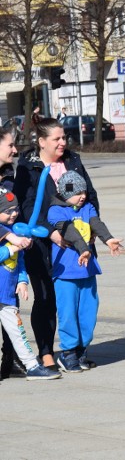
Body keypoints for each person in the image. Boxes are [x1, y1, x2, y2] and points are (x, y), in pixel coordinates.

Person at [14, 116, 99, 371]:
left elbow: (91, 195)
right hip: (43, 244)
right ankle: (47, 351)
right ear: (42, 142)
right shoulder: (29, 167)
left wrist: (93, 226)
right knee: (46, 297)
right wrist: (50, 232)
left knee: (80, 298)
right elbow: (26, 205)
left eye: (64, 138)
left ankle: (76, 351)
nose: (63, 142)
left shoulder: (73, 161)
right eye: (57, 139)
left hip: (77, 244)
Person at [47, 171, 123, 373]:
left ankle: (82, 349)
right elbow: (70, 231)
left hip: (87, 271)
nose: (83, 196)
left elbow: (96, 223)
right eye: (78, 192)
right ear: (65, 192)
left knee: (88, 312)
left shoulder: (87, 207)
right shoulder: (55, 211)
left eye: (84, 192)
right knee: (68, 313)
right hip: (66, 273)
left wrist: (108, 239)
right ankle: (68, 353)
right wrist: (84, 249)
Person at [0, 191, 61, 380]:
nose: (13, 214)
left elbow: (20, 263)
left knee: (17, 331)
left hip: (6, 294)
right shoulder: (9, 236)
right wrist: (12, 247)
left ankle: (32, 366)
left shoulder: (16, 232)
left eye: (15, 209)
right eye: (7, 211)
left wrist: (22, 281)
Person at [0, 127, 32, 380]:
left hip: (9, 263)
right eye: (10, 145)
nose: (14, 149)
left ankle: (10, 360)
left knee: (9, 309)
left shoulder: (9, 178)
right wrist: (10, 236)